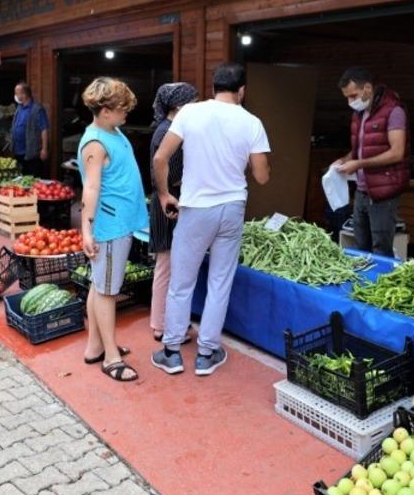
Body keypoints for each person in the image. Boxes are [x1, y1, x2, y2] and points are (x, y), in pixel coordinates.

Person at [151, 63, 270, 377]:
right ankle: (206, 354)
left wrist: (164, 195)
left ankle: (172, 351)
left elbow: (160, 157)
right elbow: (261, 176)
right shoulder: (252, 122)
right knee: (220, 281)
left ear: (213, 86)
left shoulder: (190, 113)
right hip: (232, 208)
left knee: (181, 282)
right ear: (242, 90)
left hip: (195, 208)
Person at [78, 77, 149, 382]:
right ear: (105, 111)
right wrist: (86, 230)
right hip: (110, 226)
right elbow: (91, 188)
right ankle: (111, 357)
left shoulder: (113, 132)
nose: (126, 114)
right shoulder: (95, 143)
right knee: (108, 292)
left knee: (100, 285)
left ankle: (95, 346)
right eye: (122, 109)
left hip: (121, 222)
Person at [333, 66, 409, 258]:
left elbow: (397, 152)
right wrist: (345, 159)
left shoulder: (394, 111)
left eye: (353, 95)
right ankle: (363, 286)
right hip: (362, 191)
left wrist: (358, 164)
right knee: (360, 246)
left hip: (384, 193)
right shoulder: (358, 114)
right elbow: (360, 149)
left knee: (381, 249)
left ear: (367, 88)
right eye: (347, 97)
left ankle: (381, 286)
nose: (350, 102)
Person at [147, 82, 200, 343]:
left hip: (169, 200)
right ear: (179, 106)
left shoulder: (168, 129)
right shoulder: (168, 133)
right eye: (193, 101)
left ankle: (170, 320)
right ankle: (160, 324)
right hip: (168, 202)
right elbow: (169, 173)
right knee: (166, 265)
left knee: (170, 264)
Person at [11, 82, 49, 176]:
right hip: (18, 150)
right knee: (21, 178)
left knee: (32, 177)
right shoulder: (19, 108)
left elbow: (44, 129)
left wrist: (44, 149)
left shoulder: (37, 109)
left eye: (17, 93)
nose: (15, 96)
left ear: (24, 94)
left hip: (31, 152)